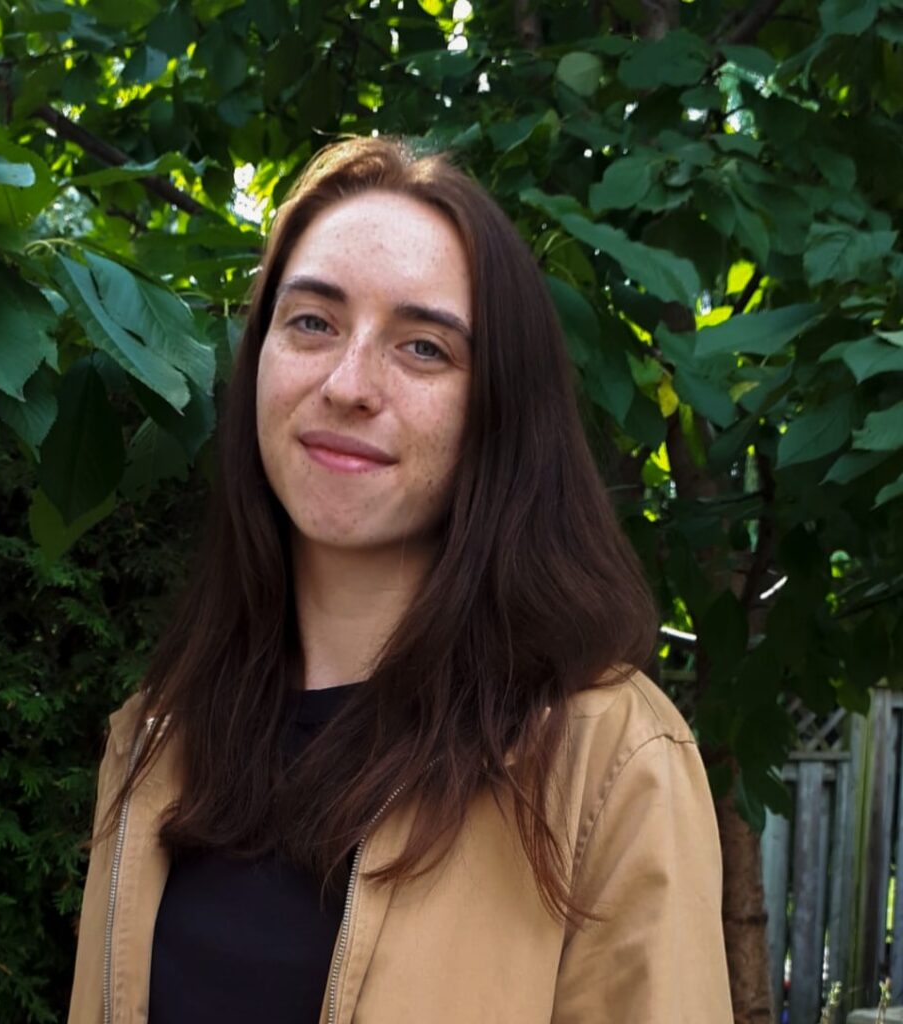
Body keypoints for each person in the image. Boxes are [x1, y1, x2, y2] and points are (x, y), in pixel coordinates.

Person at [67, 135, 734, 1024]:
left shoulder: (611, 765)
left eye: (423, 348)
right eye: (312, 322)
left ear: (499, 411)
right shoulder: (158, 735)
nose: (348, 385)